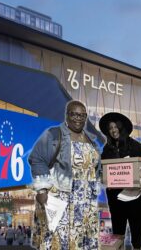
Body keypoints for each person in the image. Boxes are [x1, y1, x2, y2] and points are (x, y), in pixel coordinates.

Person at [28, 100, 101, 249]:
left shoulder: (92, 141)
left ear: (86, 117)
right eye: (74, 114)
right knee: (60, 241)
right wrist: (42, 189)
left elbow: (97, 169)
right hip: (61, 199)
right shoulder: (54, 134)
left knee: (82, 241)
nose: (78, 118)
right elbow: (37, 158)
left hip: (86, 203)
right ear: (67, 115)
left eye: (82, 115)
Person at [99, 112, 141, 250]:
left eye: (116, 127)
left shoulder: (135, 146)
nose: (113, 130)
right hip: (116, 198)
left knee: (137, 229)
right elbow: (104, 170)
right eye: (110, 128)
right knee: (118, 231)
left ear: (121, 128)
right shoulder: (106, 149)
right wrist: (106, 180)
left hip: (135, 197)